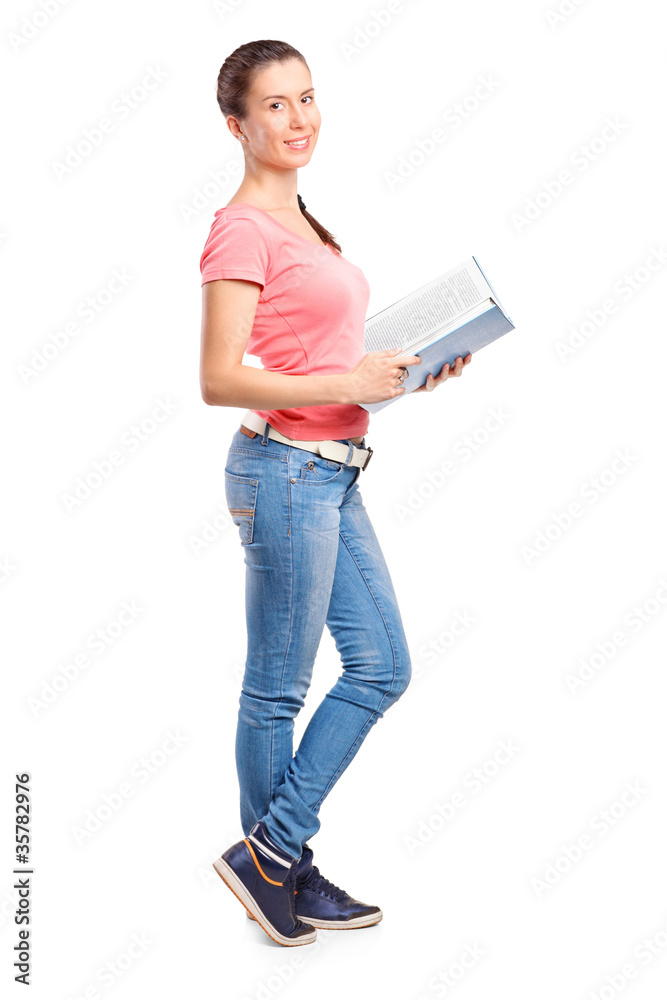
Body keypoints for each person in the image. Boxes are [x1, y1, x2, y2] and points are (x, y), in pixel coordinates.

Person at [199, 39, 472, 948]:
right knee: (277, 690)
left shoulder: (308, 224)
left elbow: (321, 363)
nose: (299, 118)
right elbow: (218, 378)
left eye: (307, 97)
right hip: (282, 472)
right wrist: (344, 381)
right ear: (237, 126)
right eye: (275, 105)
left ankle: (272, 857)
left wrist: (402, 376)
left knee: (381, 665)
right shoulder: (241, 229)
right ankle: (276, 862)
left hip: (332, 469)